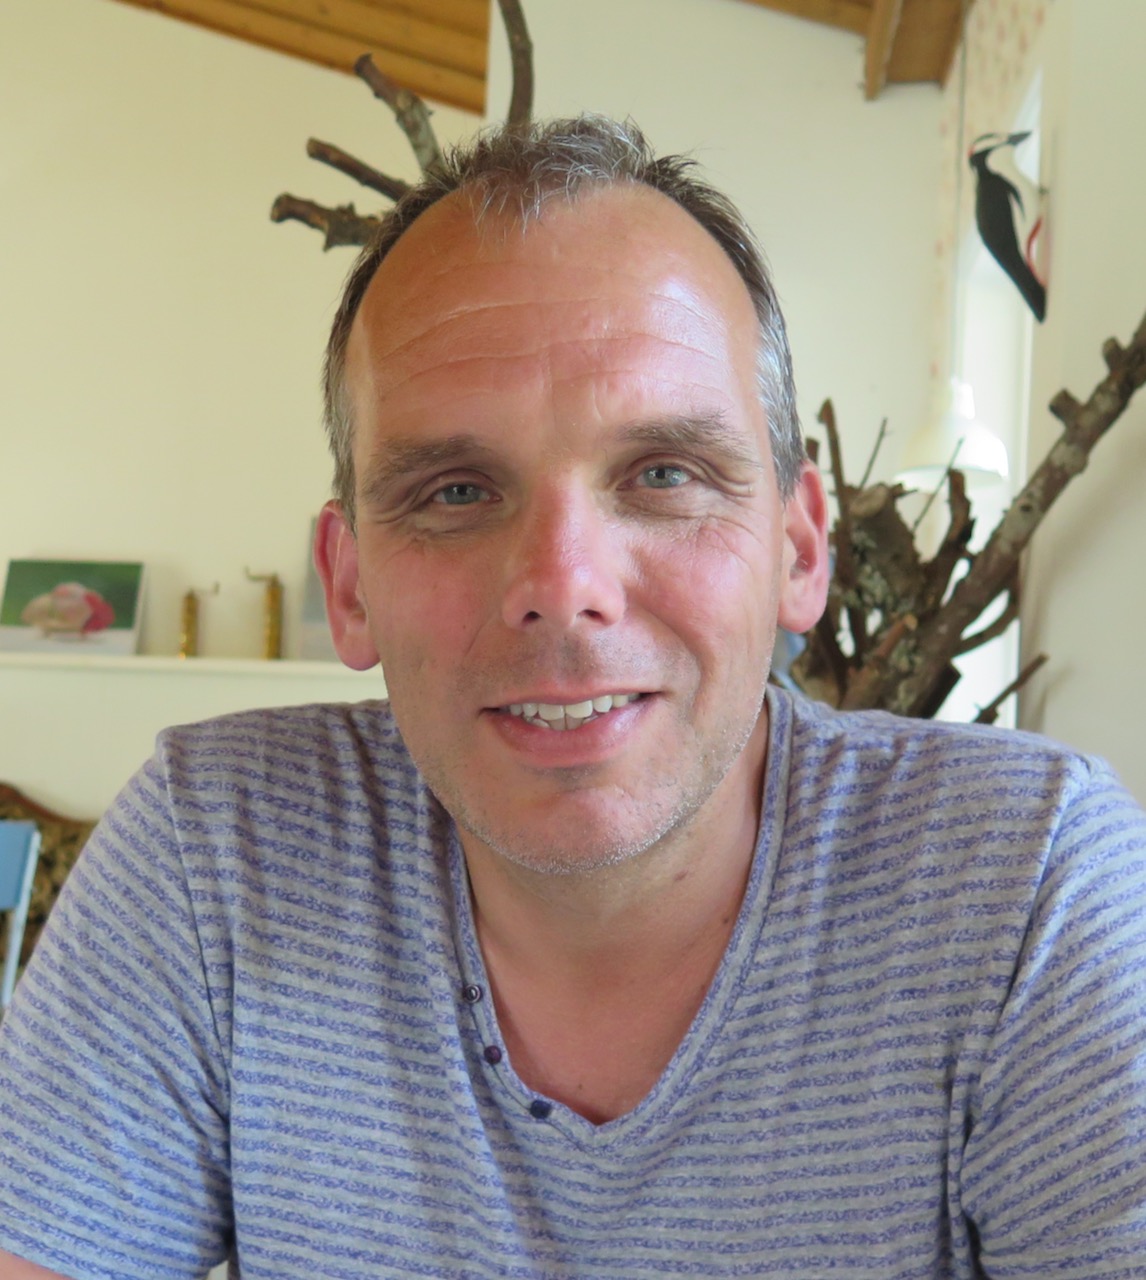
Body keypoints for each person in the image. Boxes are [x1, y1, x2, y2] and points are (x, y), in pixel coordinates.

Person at [1, 115, 1144, 1280]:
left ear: (800, 550)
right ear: (347, 586)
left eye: (664, 473)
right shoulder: (215, 853)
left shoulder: (1029, 883)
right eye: (455, 490)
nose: (560, 586)